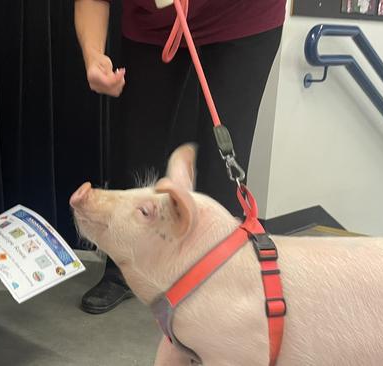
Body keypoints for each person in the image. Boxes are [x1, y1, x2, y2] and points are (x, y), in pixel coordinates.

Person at [74, 0, 285, 314]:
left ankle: (214, 279)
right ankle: (123, 271)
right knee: (136, 147)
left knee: (221, 161)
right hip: (154, 25)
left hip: (242, 15)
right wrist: (93, 56)